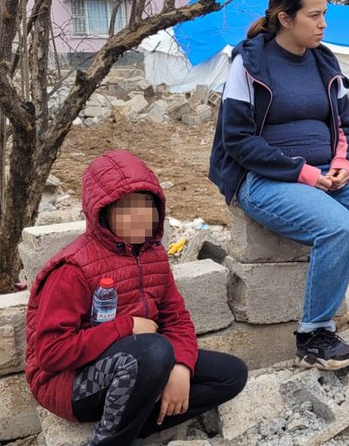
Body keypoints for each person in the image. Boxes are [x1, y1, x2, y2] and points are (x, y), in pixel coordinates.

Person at [208, 0, 349, 371]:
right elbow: (237, 140)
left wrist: (344, 164)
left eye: (324, 16)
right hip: (263, 178)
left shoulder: (324, 61)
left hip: (324, 172)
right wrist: (303, 174)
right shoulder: (249, 63)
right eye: (314, 16)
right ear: (285, 18)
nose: (323, 25)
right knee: (339, 228)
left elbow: (346, 127)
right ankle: (314, 336)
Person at [25, 150, 248, 445]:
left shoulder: (153, 254)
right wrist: (126, 326)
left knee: (231, 374)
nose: (141, 217)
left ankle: (137, 421)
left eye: (146, 205)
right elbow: (51, 353)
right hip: (69, 383)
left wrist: (181, 368)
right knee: (154, 351)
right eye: (127, 208)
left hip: (138, 363)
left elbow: (176, 318)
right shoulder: (73, 269)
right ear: (102, 213)